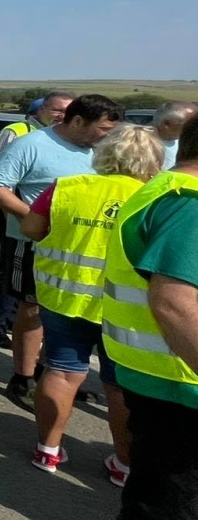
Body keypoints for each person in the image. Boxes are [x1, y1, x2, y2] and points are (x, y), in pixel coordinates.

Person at [88, 117, 198, 520]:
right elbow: (177, 302)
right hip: (181, 392)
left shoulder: (162, 192)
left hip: (159, 384)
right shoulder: (191, 205)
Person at [22, 125, 164, 483]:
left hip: (64, 298)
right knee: (119, 386)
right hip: (127, 310)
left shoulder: (67, 188)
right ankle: (125, 465)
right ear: (154, 161)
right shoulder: (156, 198)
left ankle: (48, 451)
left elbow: (31, 228)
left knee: (62, 371)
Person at [0, 94, 126, 408]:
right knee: (33, 309)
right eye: (102, 129)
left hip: (78, 247)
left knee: (64, 311)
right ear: (76, 121)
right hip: (33, 241)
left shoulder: (100, 150)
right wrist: (31, 217)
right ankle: (23, 377)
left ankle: (54, 376)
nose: (107, 136)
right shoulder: (32, 144)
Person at [0, 91, 74, 347]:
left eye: (67, 112)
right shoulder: (17, 132)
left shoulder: (67, 138)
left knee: (29, 277)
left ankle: (11, 319)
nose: (61, 116)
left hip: (47, 223)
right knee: (8, 267)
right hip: (14, 212)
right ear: (40, 109)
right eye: (56, 110)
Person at [153, 101, 197, 170]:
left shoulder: (188, 145)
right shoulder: (141, 144)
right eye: (189, 124)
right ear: (166, 124)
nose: (194, 128)